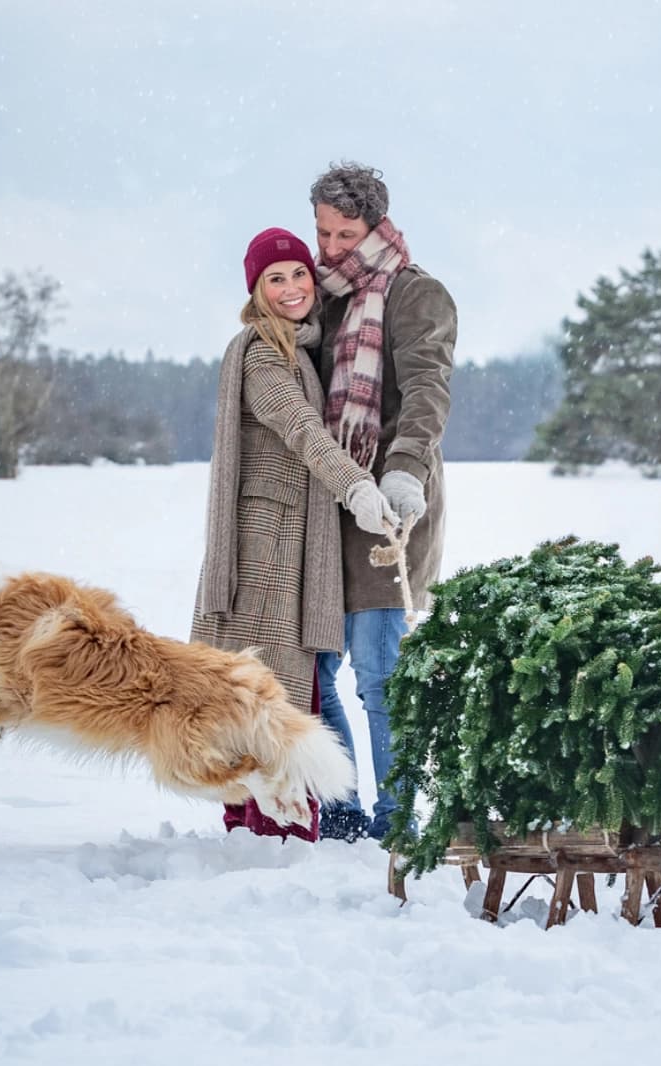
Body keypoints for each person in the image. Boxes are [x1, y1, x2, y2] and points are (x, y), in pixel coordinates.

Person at [191, 226, 398, 841]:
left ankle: (285, 818)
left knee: (280, 690)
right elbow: (304, 429)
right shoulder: (263, 354)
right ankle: (270, 827)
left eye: (299, 274)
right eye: (274, 279)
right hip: (268, 548)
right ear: (257, 291)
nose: (290, 288)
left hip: (292, 540)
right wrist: (356, 486)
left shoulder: (301, 348)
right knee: (272, 693)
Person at [307, 163, 456, 842]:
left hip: (393, 508)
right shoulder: (324, 299)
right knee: (313, 670)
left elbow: (427, 391)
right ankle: (340, 809)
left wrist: (403, 473)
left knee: (378, 673)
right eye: (323, 232)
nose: (331, 247)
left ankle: (397, 822)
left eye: (346, 234)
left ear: (375, 226)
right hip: (329, 503)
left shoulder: (415, 293)